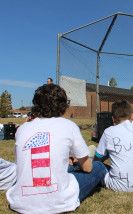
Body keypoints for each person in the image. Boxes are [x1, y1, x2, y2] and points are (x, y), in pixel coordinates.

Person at [6, 84, 106, 213]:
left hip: (21, 200)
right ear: (63, 105)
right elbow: (88, 168)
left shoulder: (22, 129)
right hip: (58, 200)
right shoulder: (69, 126)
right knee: (98, 167)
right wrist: (77, 161)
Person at [93, 100, 133, 192]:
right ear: (132, 116)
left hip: (120, 185)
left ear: (113, 119)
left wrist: (94, 164)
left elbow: (97, 158)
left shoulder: (109, 132)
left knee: (94, 164)